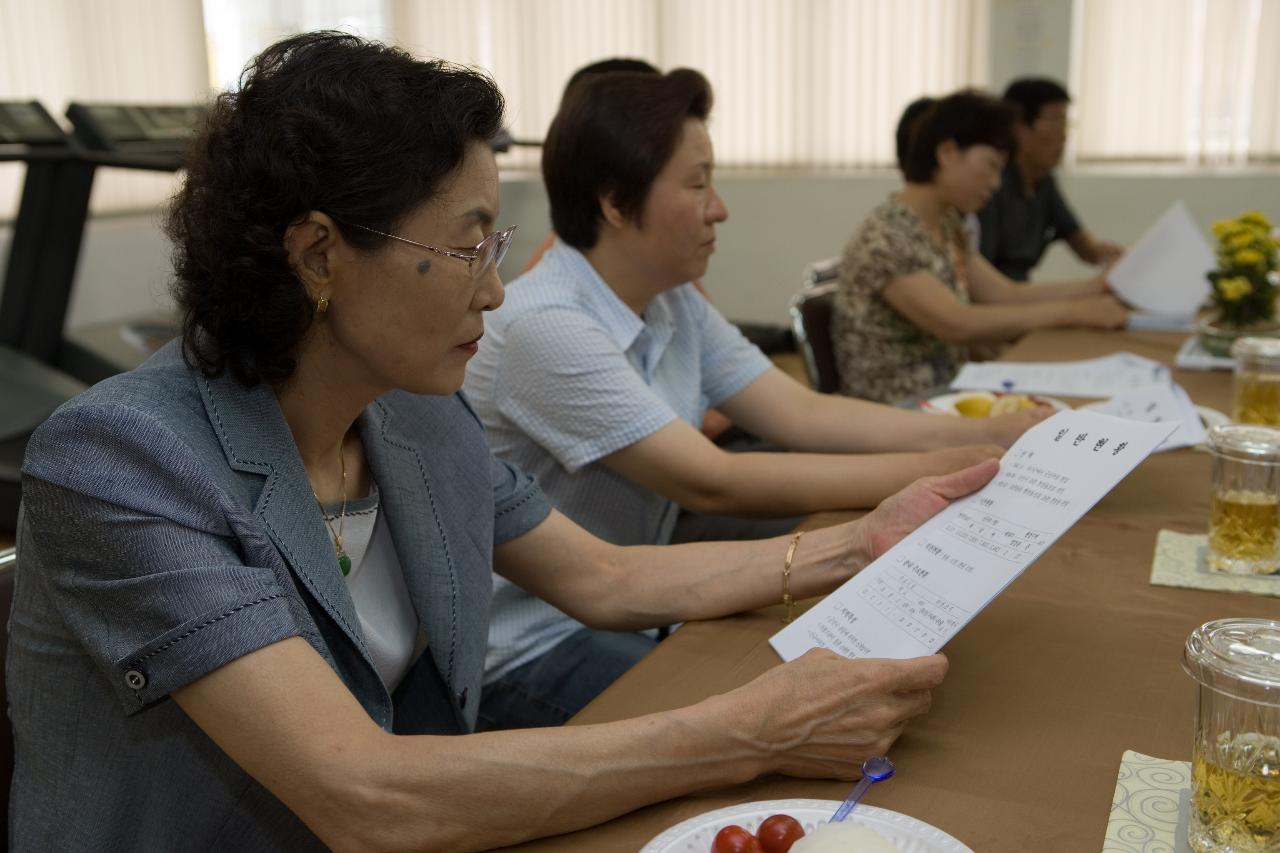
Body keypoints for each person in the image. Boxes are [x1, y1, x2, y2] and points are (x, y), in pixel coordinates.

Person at [7, 32, 989, 852]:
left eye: (494, 245)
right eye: (467, 243)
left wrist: (858, 541)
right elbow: (362, 793)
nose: (493, 290)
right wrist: (749, 730)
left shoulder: (413, 412)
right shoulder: (120, 462)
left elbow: (604, 578)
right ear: (317, 255)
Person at [462, 69, 1045, 730]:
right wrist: (958, 468)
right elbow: (715, 480)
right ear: (617, 203)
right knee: (799, 711)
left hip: (637, 601)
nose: (720, 208)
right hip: (532, 649)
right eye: (698, 182)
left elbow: (802, 412)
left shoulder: (669, 296)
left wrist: (995, 437)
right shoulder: (546, 324)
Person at [832, 90, 1128, 404]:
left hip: (950, 394)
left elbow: (1004, 295)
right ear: (947, 152)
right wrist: (1071, 313)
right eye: (990, 165)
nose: (996, 183)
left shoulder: (945, 225)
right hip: (900, 409)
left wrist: (1096, 287)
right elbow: (957, 324)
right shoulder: (887, 236)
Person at [977, 77, 1124, 281]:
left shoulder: (1043, 181)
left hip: (1019, 295)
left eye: (1066, 124)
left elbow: (1084, 245)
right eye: (1055, 122)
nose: (1063, 135)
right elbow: (983, 279)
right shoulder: (991, 184)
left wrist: (1118, 256)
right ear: (1019, 126)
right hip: (995, 300)